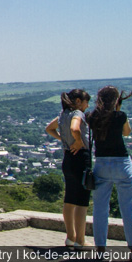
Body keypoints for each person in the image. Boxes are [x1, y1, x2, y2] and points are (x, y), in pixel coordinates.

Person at [88, 85, 132, 252]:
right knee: (128, 211)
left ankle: (100, 249)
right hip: (122, 163)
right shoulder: (120, 116)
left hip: (101, 164)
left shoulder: (92, 116)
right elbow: (127, 133)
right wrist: (118, 110)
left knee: (100, 210)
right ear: (116, 100)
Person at [45, 88, 91, 249]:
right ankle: (80, 240)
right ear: (78, 101)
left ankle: (70, 237)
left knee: (69, 198)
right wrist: (78, 141)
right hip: (80, 158)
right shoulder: (77, 114)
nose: (87, 106)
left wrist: (62, 139)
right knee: (82, 201)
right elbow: (75, 128)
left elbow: (49, 128)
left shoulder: (63, 114)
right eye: (86, 102)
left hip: (68, 158)